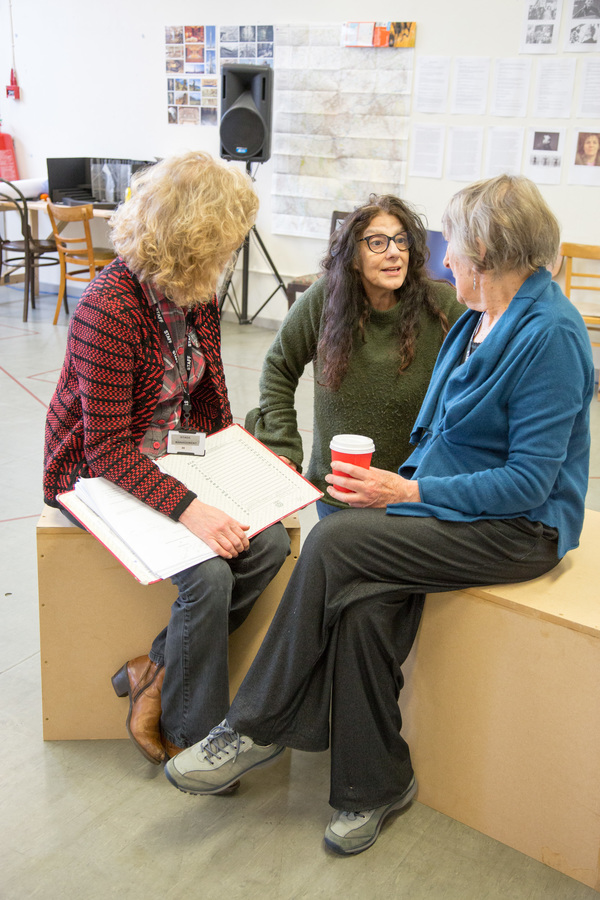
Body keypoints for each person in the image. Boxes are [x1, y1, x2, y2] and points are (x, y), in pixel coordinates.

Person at [164, 175, 594, 853]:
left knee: (335, 546)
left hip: (520, 530)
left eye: (450, 242)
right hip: (450, 506)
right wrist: (400, 487)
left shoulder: (552, 336)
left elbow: (530, 483)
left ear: (487, 248)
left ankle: (253, 725)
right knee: (363, 606)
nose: (441, 256)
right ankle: (376, 785)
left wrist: (408, 496)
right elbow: (436, 435)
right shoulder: (480, 319)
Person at [43, 152, 290, 767]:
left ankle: (152, 667)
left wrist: (252, 483)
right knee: (207, 576)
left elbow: (214, 407)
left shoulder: (194, 293)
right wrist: (193, 512)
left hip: (171, 459)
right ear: (190, 242)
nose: (230, 261)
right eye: (224, 248)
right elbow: (104, 450)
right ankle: (192, 733)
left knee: (269, 545)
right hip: (93, 473)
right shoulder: (110, 306)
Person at [246, 195, 464, 518]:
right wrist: (282, 441)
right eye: (377, 242)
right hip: (338, 495)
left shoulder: (441, 304)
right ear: (353, 258)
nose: (394, 252)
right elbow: (279, 366)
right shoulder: (325, 299)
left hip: (405, 495)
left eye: (401, 241)